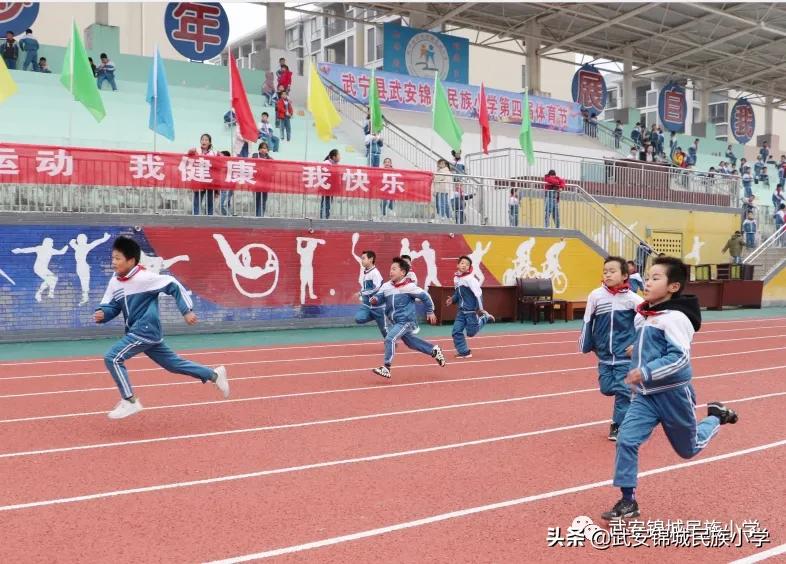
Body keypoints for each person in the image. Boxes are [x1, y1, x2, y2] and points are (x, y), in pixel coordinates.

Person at [602, 256, 738, 520]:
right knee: (626, 441)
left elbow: (679, 358)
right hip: (645, 397)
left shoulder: (675, 318)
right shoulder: (646, 315)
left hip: (674, 395)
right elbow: (652, 346)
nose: (647, 282)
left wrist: (645, 371)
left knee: (689, 449)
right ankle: (628, 501)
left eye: (655, 278)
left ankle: (716, 416)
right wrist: (637, 351)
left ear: (673, 287)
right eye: (647, 277)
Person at [94, 236, 230, 419]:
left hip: (144, 330)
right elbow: (112, 306)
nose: (113, 262)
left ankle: (130, 401)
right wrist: (103, 314)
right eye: (112, 258)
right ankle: (214, 375)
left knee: (112, 357)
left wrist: (186, 310)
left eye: (117, 258)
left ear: (131, 260)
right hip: (142, 332)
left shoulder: (145, 278)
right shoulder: (115, 282)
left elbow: (172, 285)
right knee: (173, 365)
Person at [580, 256, 644, 441]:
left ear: (625, 275)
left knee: (623, 391)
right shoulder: (596, 296)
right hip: (605, 355)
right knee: (607, 388)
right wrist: (587, 345)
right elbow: (587, 321)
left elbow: (646, 324)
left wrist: (638, 345)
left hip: (625, 355)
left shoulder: (634, 299)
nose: (607, 274)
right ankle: (638, 401)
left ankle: (618, 425)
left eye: (612, 271)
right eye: (605, 271)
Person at [369, 257, 446, 378]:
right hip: (396, 322)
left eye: (394, 269)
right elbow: (378, 298)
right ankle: (433, 350)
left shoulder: (409, 286)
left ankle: (386, 367)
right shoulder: (386, 286)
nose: (391, 271)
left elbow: (425, 296)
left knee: (390, 338)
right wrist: (374, 300)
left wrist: (430, 311)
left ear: (403, 272)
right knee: (410, 343)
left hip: (406, 320)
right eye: (390, 269)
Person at [446, 255, 494, 359]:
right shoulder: (456, 279)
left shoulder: (470, 280)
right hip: (461, 312)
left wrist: (481, 309)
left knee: (471, 333)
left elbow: (478, 294)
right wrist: (453, 299)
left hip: (471, 312)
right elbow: (458, 293)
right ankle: (464, 352)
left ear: (469, 268)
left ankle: (484, 318)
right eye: (462, 263)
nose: (464, 265)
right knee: (456, 331)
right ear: (458, 265)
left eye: (467, 264)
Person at [354, 250, 386, 337]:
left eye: (364, 258)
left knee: (384, 331)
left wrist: (361, 293)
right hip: (367, 305)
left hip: (378, 307)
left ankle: (390, 341)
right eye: (361, 258)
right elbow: (367, 288)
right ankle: (374, 316)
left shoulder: (375, 273)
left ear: (371, 259)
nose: (362, 260)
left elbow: (376, 288)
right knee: (358, 319)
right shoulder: (367, 273)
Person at [190, 134, 217, 215]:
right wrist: (191, 151)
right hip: (199, 180)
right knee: (197, 202)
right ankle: (196, 220)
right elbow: (188, 154)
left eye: (206, 140)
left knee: (209, 202)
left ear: (209, 142)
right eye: (202, 139)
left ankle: (209, 221)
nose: (204, 141)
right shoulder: (196, 150)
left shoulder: (214, 153)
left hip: (210, 181)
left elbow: (223, 160)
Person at [251, 142, 272, 217]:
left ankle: (261, 217)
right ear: (259, 149)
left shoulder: (270, 159)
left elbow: (272, 170)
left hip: (265, 184)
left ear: (267, 150)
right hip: (256, 183)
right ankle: (257, 217)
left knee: (263, 201)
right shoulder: (255, 155)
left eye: (265, 148)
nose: (263, 150)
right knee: (257, 201)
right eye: (262, 148)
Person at [320, 149, 339, 219]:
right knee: (326, 202)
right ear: (334, 157)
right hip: (325, 186)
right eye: (338, 155)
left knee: (329, 203)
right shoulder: (326, 163)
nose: (340, 157)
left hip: (330, 187)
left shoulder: (335, 164)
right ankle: (323, 218)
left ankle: (326, 217)